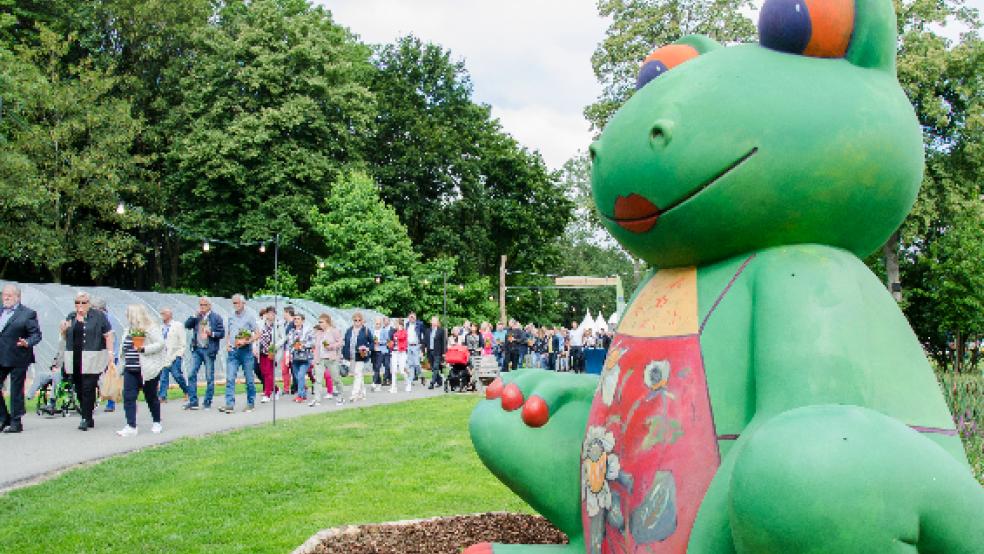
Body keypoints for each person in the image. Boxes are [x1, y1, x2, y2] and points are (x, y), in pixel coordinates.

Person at [60, 291, 114, 431]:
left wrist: (110, 353)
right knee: (78, 388)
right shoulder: (71, 316)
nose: (80, 305)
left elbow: (108, 335)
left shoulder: (98, 316)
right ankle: (88, 416)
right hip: (75, 358)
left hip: (92, 358)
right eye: (77, 302)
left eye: (83, 302)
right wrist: (64, 330)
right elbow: (66, 337)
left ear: (89, 303)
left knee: (88, 387)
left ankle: (85, 418)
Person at [116, 304, 166, 436]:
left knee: (150, 396)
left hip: (147, 369)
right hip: (130, 368)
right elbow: (123, 349)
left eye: (128, 314)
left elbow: (160, 344)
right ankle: (131, 425)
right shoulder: (128, 330)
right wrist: (120, 366)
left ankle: (157, 422)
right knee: (128, 396)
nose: (127, 316)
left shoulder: (151, 328)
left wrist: (144, 349)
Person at [0, 284, 41, 433]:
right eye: (4, 294)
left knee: (16, 390)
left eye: (9, 295)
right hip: (1, 355)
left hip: (19, 356)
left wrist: (27, 342)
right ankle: (4, 417)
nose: (6, 297)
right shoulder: (1, 311)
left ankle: (16, 422)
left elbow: (36, 335)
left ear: (17, 297)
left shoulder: (28, 313)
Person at [183, 297, 225, 410]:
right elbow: (187, 325)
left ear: (209, 306)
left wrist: (211, 333)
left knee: (209, 377)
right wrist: (193, 315)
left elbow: (221, 333)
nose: (202, 307)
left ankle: (207, 402)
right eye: (200, 305)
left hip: (209, 349)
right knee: (191, 374)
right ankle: (193, 401)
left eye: (204, 305)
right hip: (197, 349)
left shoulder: (216, 317)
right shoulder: (197, 317)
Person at [219, 294, 258, 413]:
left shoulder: (250, 317)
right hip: (233, 352)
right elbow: (229, 332)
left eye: (237, 303)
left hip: (246, 352)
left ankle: (250, 403)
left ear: (243, 303)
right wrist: (227, 345)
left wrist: (247, 340)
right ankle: (229, 404)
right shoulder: (231, 316)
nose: (235, 305)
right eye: (234, 303)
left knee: (249, 379)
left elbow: (257, 333)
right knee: (230, 378)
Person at [157, 308, 190, 404]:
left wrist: (180, 354)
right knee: (163, 377)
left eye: (164, 313)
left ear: (169, 315)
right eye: (161, 313)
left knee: (177, 375)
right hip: (163, 356)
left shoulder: (177, 326)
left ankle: (187, 391)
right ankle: (162, 396)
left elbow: (183, 341)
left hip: (175, 355)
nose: (162, 315)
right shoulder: (160, 327)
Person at [313, 313, 343, 405]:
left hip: (331, 359)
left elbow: (341, 342)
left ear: (327, 322)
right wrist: (315, 359)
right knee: (318, 380)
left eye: (321, 322)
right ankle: (317, 399)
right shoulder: (319, 333)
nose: (320, 324)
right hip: (320, 359)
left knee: (336, 379)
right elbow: (316, 346)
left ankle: (340, 396)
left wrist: (331, 346)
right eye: (319, 322)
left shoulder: (334, 331)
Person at [342, 312, 372, 401]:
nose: (357, 322)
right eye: (355, 320)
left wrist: (367, 348)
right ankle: (362, 393)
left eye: (359, 320)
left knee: (357, 373)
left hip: (361, 355)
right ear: (353, 321)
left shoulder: (366, 330)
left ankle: (354, 394)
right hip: (351, 356)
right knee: (358, 374)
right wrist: (344, 354)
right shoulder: (349, 330)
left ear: (362, 321)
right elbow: (345, 343)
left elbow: (372, 343)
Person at [287, 313, 314, 403]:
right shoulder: (291, 331)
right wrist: (293, 348)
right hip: (295, 357)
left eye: (298, 319)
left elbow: (312, 342)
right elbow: (289, 344)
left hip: (305, 357)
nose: (296, 320)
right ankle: (303, 392)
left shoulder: (308, 330)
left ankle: (300, 396)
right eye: (295, 319)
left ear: (302, 320)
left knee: (301, 375)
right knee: (297, 377)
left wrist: (302, 345)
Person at [255, 306, 277, 402]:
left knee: (268, 372)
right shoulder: (260, 324)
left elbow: (283, 338)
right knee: (264, 372)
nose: (271, 315)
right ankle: (275, 389)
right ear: (266, 314)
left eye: (273, 313)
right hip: (261, 350)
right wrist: (254, 347)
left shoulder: (278, 325)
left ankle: (267, 394)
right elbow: (255, 335)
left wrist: (275, 345)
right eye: (269, 313)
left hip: (272, 351)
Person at [424, 316, 447, 389]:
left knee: (436, 367)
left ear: (437, 323)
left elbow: (444, 342)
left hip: (437, 352)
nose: (434, 323)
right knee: (433, 368)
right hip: (429, 351)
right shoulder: (428, 330)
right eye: (433, 321)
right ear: (431, 322)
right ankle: (439, 380)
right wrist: (424, 349)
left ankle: (432, 383)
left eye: (435, 321)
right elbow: (425, 341)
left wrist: (443, 352)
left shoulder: (441, 331)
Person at [278, 306, 296, 396]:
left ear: (288, 312)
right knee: (284, 369)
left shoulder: (294, 323)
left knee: (294, 369)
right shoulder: (284, 324)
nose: (283, 314)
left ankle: (298, 386)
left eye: (284, 312)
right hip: (285, 350)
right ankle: (286, 388)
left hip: (291, 350)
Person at [389, 318, 410, 393]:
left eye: (396, 324)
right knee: (394, 370)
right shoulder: (395, 332)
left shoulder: (404, 332)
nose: (395, 325)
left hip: (402, 353)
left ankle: (408, 383)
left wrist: (399, 331)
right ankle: (393, 387)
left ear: (400, 325)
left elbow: (401, 337)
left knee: (401, 371)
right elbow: (392, 341)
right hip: (394, 352)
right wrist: (390, 345)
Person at [406, 312, 425, 385]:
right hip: (409, 346)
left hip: (416, 345)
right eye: (410, 317)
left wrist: (422, 344)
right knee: (410, 364)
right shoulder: (407, 325)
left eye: (413, 317)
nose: (411, 318)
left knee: (417, 363)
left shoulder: (419, 324)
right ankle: (411, 380)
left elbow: (424, 334)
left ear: (415, 318)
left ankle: (421, 376)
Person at [371, 317, 388, 393]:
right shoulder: (372, 331)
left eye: (379, 324)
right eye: (376, 324)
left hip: (381, 351)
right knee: (375, 367)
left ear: (381, 324)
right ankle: (378, 384)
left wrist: (379, 342)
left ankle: (374, 382)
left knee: (378, 366)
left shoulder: (384, 331)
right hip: (374, 351)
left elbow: (387, 341)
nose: (377, 325)